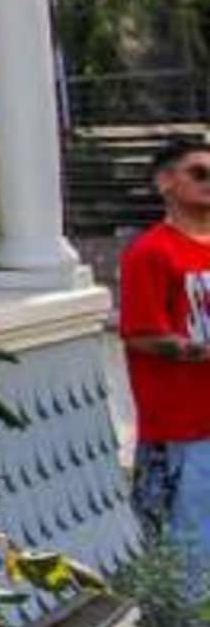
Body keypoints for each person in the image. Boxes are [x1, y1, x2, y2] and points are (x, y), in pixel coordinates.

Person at [115, 135, 210, 536]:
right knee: (185, 560)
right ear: (165, 183)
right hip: (181, 431)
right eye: (199, 172)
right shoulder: (150, 253)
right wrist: (198, 350)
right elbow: (140, 334)